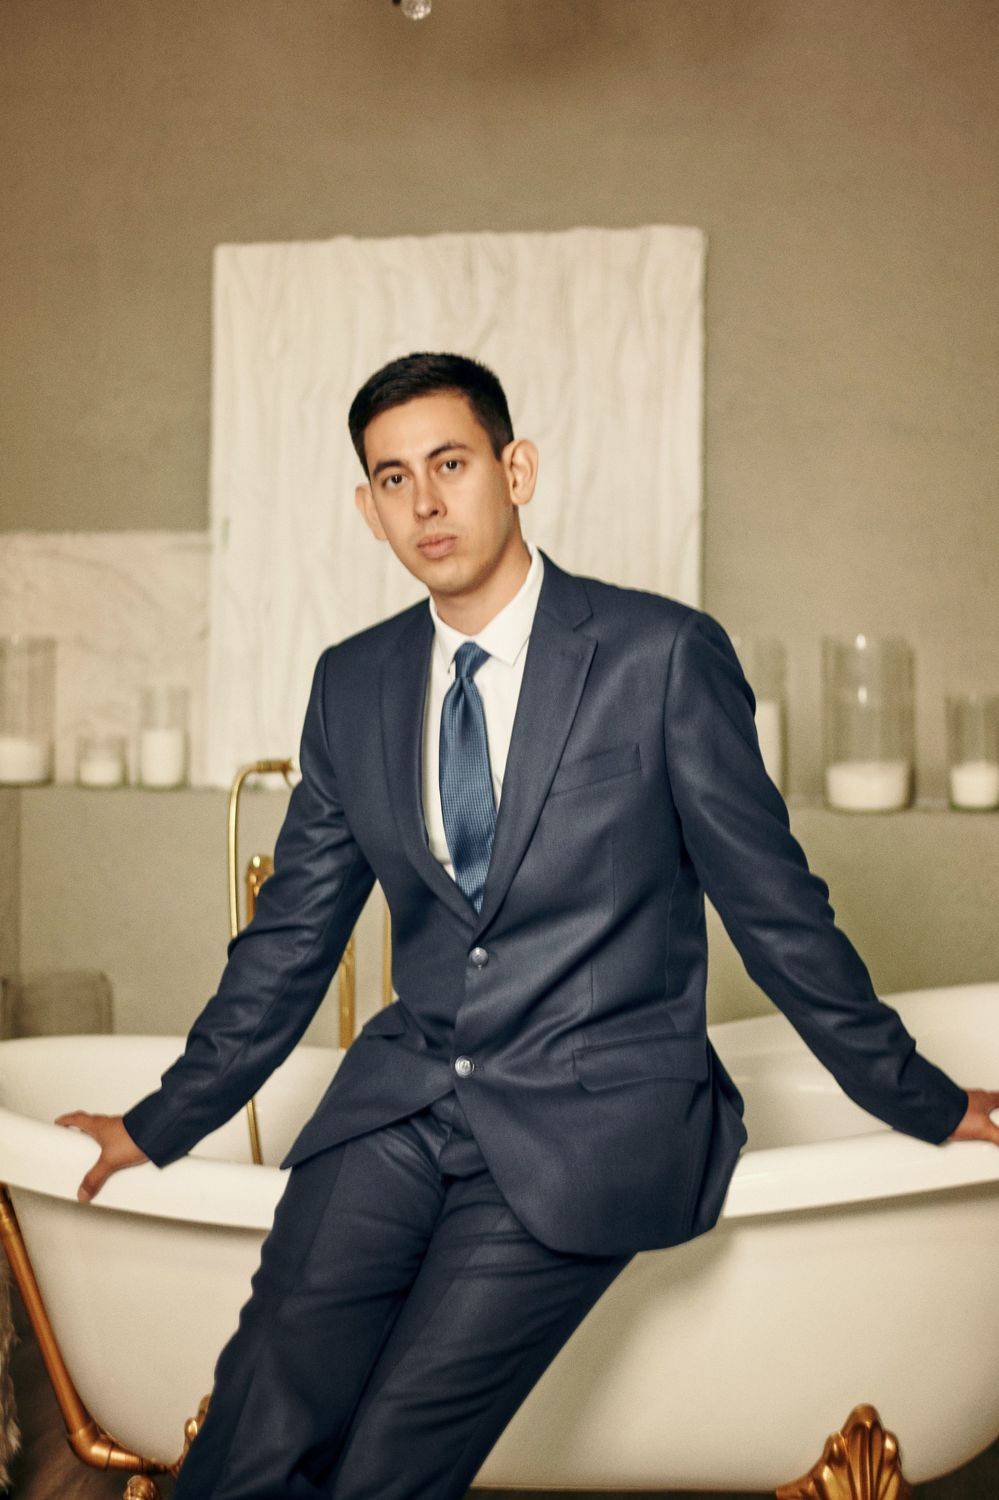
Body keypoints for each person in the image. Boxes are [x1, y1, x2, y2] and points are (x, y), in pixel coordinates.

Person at [56, 351, 998, 1499]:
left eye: (450, 464)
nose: (425, 502)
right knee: (254, 1426)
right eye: (393, 479)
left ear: (516, 471)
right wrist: (156, 1122)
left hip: (590, 1115)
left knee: (390, 1463)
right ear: (368, 509)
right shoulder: (354, 683)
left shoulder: (659, 656)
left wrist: (924, 1099)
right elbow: (290, 938)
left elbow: (777, 910)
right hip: (401, 1107)